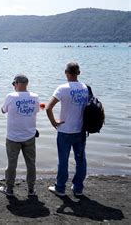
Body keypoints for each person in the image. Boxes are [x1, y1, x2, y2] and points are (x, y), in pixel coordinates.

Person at [46, 62, 89, 197]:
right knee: (81, 160)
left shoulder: (62, 88)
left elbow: (48, 108)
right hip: (80, 130)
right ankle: (78, 188)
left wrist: (54, 122)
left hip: (65, 130)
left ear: (66, 73)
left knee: (63, 160)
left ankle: (60, 188)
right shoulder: (85, 88)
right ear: (79, 73)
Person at [0, 74, 39, 196]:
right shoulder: (35, 97)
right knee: (31, 163)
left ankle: (9, 188)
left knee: (12, 163)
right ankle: (31, 189)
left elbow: (3, 110)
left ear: (16, 83)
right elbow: (36, 111)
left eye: (13, 84)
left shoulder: (11, 96)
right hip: (29, 135)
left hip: (13, 137)